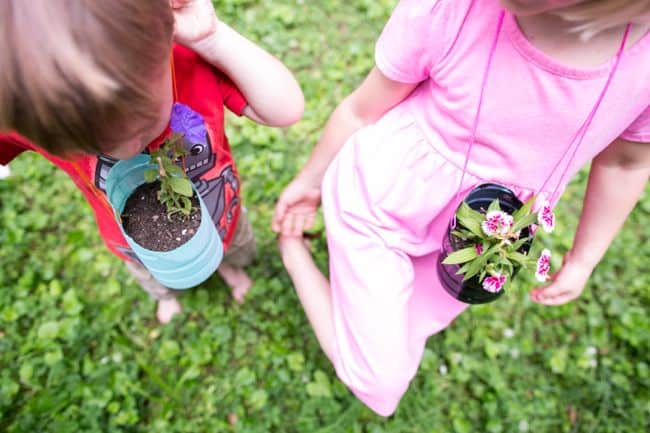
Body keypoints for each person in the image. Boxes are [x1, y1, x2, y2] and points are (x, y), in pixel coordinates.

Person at [273, 0, 650, 416]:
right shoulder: (453, 9)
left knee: (413, 324)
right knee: (381, 379)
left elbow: (624, 162)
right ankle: (295, 255)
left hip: (480, 242)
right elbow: (362, 111)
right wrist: (309, 184)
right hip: (383, 204)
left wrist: (584, 259)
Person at [0, 0, 304, 323]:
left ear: (162, 49)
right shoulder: (33, 112)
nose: (128, 150)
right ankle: (166, 297)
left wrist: (211, 38)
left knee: (233, 247)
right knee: (153, 275)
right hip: (135, 243)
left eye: (141, 126)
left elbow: (286, 109)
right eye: (94, 146)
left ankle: (229, 268)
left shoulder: (187, 60)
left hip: (221, 212)